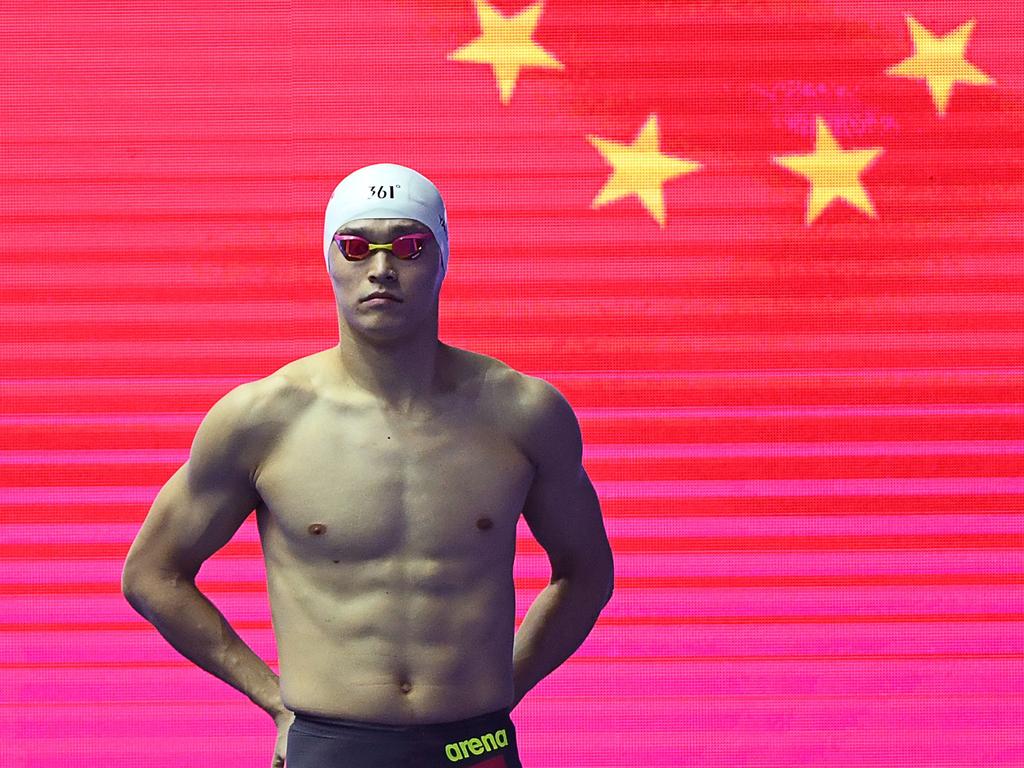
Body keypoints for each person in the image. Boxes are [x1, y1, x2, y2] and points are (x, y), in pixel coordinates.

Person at [121, 163, 616, 767]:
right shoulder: (262, 420)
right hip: (332, 744)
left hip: (475, 743)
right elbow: (152, 573)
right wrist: (274, 701)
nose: (381, 269)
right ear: (329, 260)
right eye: (356, 247)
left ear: (442, 259)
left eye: (408, 246)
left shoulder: (522, 413)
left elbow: (587, 573)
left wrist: (504, 688)